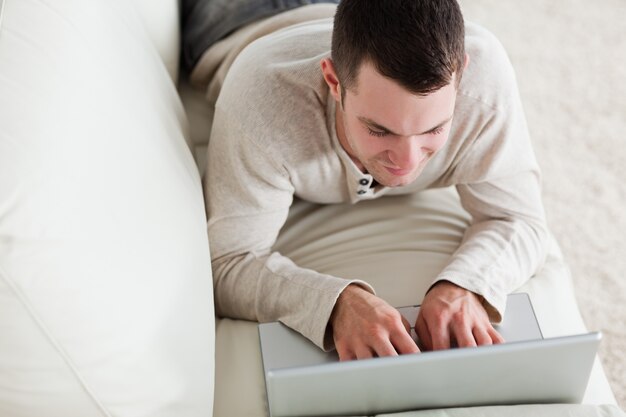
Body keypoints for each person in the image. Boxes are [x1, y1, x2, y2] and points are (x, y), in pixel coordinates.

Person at [183, 0, 548, 361]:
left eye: (434, 128)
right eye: (379, 130)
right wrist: (338, 305)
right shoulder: (263, 101)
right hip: (246, 14)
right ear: (333, 82)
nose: (407, 162)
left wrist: (467, 284)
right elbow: (229, 261)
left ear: (461, 75)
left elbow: (521, 220)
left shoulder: (484, 82)